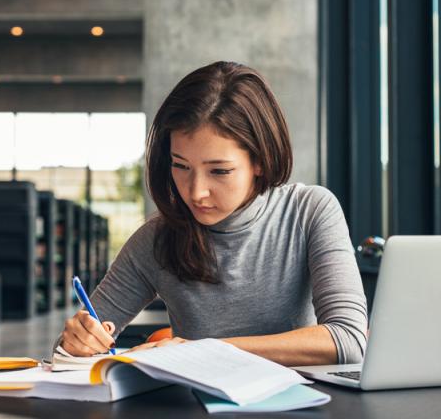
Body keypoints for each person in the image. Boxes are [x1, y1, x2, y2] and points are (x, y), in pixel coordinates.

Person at [60, 61, 368, 366]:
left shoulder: (309, 211)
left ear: (260, 160)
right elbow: (65, 356)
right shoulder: (155, 239)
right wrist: (75, 342)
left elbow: (348, 340)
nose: (195, 192)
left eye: (219, 171)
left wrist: (199, 350)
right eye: (180, 166)